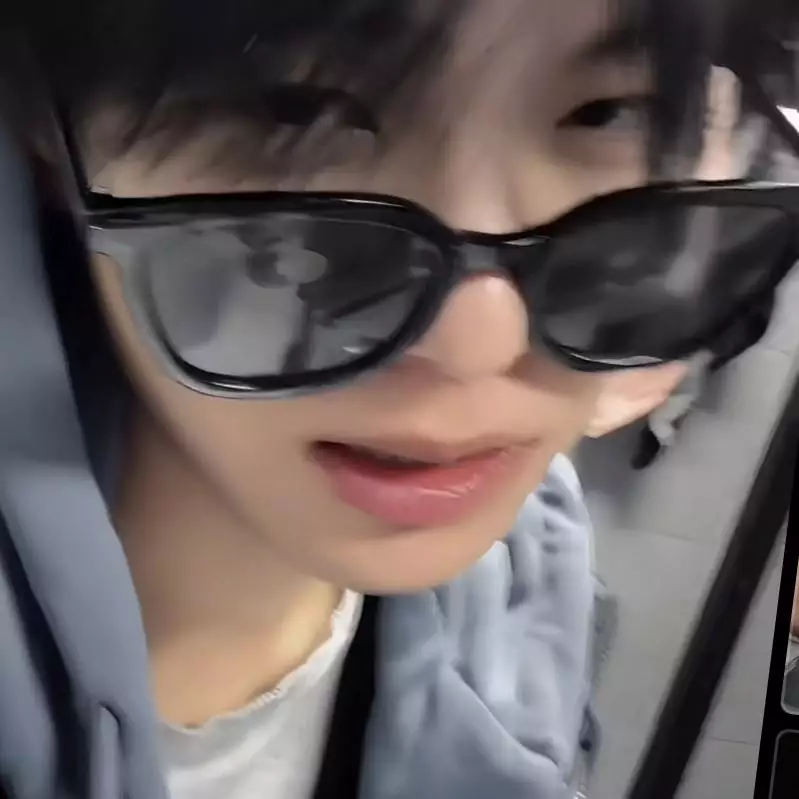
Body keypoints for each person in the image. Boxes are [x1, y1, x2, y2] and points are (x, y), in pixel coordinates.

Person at [0, 1, 796, 798]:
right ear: (46, 132)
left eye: (612, 112)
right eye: (293, 113)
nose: (479, 344)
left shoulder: (528, 583)